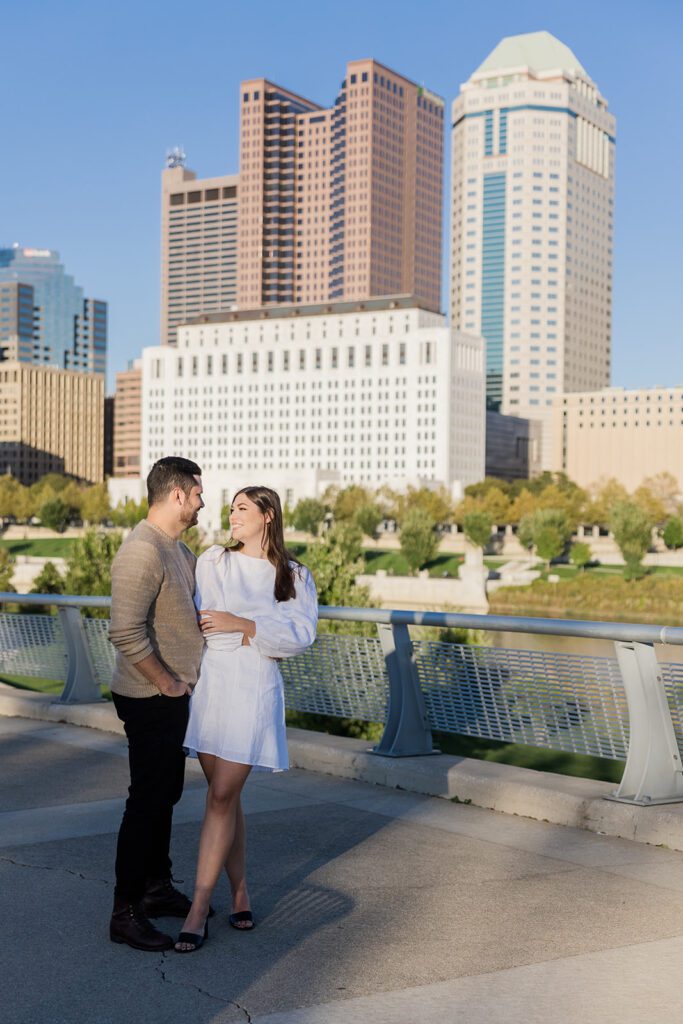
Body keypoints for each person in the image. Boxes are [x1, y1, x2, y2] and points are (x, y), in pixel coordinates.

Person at [174, 485, 318, 952]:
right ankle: (239, 893)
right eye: (230, 508)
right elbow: (200, 618)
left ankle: (198, 907)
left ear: (268, 515)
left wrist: (246, 626)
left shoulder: (293, 575)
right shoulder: (214, 560)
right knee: (227, 800)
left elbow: (300, 635)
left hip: (254, 689)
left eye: (242, 509)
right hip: (213, 686)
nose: (231, 516)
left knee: (219, 796)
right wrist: (224, 633)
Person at [108, 457, 205, 952]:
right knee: (146, 802)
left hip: (173, 697)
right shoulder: (141, 551)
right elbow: (124, 629)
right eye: (198, 494)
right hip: (149, 697)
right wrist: (166, 682)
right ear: (177, 495)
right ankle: (125, 912)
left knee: (165, 794)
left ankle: (156, 885)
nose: (202, 503)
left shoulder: (178, 550)